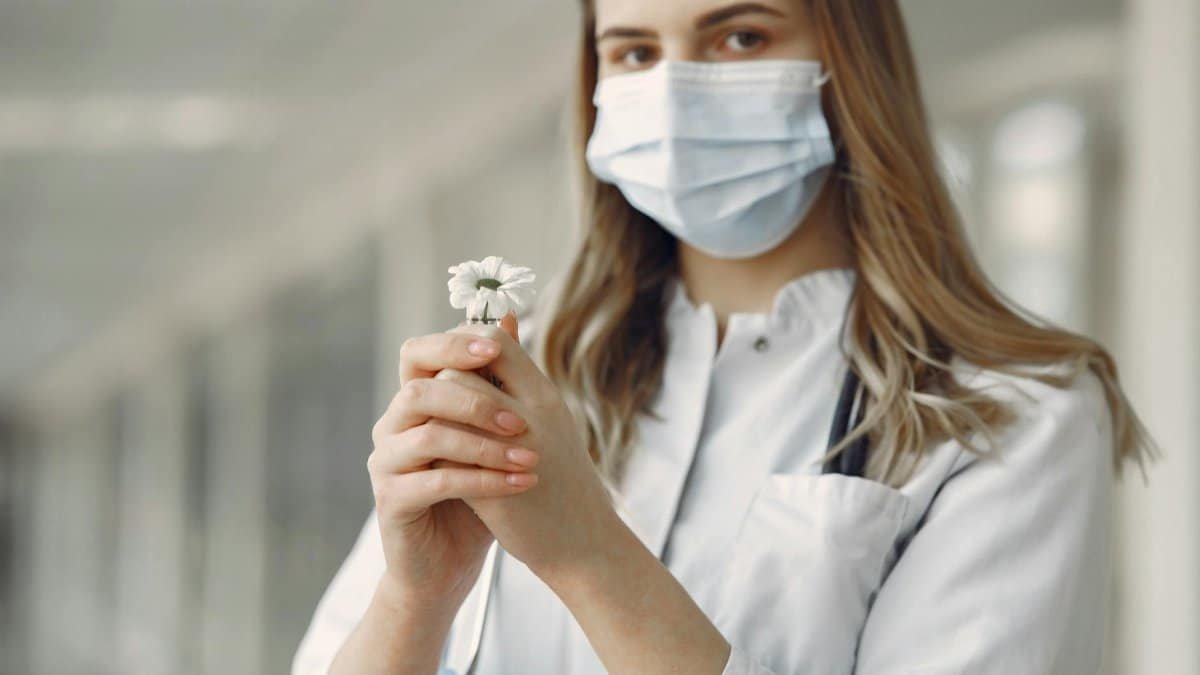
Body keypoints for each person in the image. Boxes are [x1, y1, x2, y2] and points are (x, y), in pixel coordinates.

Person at [292, 1, 1157, 673]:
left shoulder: (1016, 414)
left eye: (741, 37)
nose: (673, 90)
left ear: (848, 62)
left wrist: (590, 554)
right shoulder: (530, 377)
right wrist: (418, 593)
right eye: (633, 50)